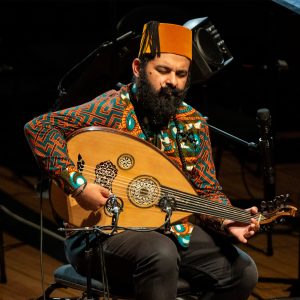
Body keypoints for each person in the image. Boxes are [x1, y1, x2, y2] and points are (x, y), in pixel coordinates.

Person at [24, 21, 260, 300]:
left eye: (181, 74)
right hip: (98, 235)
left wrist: (227, 221)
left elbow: (207, 192)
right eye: (163, 71)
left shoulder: (193, 123)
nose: (172, 81)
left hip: (170, 229)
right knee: (160, 252)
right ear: (138, 68)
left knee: (242, 271)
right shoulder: (111, 108)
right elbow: (39, 127)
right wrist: (78, 185)